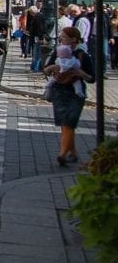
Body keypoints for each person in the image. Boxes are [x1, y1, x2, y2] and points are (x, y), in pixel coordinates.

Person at [42, 27, 95, 166]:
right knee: (65, 124)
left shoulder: (82, 54)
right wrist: (53, 68)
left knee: (69, 122)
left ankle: (62, 154)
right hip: (60, 91)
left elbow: (92, 78)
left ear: (73, 39)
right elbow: (46, 70)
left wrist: (80, 73)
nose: (61, 38)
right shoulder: (58, 52)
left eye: (64, 37)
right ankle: (72, 152)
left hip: (76, 93)